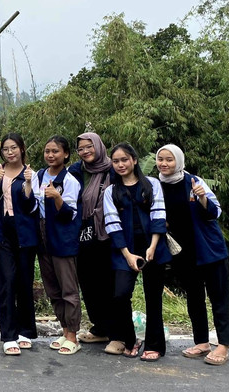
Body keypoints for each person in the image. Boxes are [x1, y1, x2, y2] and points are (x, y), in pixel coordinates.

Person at [156, 144, 229, 366]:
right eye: (161, 159)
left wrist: (202, 198)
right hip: (183, 252)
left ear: (179, 161)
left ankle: (223, 344)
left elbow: (214, 212)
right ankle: (202, 342)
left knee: (218, 297)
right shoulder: (156, 185)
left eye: (169, 159)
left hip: (208, 249)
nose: (164, 163)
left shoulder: (193, 181)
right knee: (194, 298)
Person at [103, 143, 171, 361]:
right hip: (125, 249)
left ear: (134, 160)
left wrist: (152, 247)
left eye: (124, 160)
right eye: (116, 161)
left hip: (153, 246)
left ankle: (155, 345)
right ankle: (130, 340)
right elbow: (112, 223)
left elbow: (159, 215)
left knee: (153, 298)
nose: (121, 164)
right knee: (120, 294)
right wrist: (127, 254)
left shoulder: (152, 184)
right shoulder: (111, 191)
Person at [0, 133, 38, 356]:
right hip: (0, 232)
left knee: (25, 281)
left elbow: (31, 206)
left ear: (22, 149)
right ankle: (8, 335)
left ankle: (25, 330)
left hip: (25, 233)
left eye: (14, 148)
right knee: (7, 280)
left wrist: (27, 182)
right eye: (6, 149)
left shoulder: (31, 174)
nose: (10, 152)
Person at [35, 135, 82, 355]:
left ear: (65, 154)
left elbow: (70, 215)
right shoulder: (39, 175)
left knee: (68, 289)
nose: (50, 155)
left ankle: (73, 335)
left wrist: (57, 197)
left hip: (62, 238)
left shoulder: (70, 180)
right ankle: (64, 331)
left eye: (55, 151)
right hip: (42, 237)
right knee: (52, 288)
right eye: (47, 151)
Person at [68, 133, 115, 344]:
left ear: (98, 146)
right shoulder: (76, 171)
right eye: (81, 148)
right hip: (83, 232)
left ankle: (116, 329)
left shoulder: (113, 170)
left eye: (89, 147)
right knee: (87, 281)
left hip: (109, 234)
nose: (85, 151)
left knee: (108, 282)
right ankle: (100, 328)